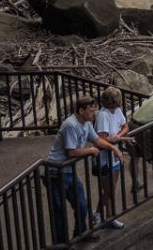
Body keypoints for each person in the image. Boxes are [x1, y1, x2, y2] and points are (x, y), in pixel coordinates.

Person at [47, 96, 124, 244]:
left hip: (68, 171)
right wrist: (90, 151)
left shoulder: (86, 123)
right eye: (90, 110)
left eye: (94, 109)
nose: (94, 113)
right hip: (56, 172)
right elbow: (71, 151)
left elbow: (97, 140)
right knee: (59, 210)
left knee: (82, 204)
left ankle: (81, 234)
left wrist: (113, 147)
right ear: (81, 110)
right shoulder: (71, 125)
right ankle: (62, 242)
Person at [93, 87, 129, 229]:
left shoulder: (117, 110)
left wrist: (118, 137)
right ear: (110, 102)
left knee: (110, 190)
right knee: (108, 191)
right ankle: (105, 216)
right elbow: (102, 139)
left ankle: (103, 215)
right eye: (116, 101)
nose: (118, 104)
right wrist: (113, 141)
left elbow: (125, 126)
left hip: (115, 155)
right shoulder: (103, 115)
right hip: (104, 158)